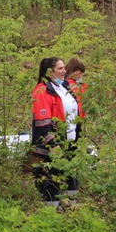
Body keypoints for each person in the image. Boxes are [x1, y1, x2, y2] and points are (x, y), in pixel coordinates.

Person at [29, 57, 79, 206]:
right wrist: (52, 143)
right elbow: (42, 121)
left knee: (71, 174)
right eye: (60, 68)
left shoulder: (65, 86)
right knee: (52, 178)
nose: (64, 71)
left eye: (64, 68)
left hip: (70, 139)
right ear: (50, 72)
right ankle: (51, 211)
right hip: (53, 142)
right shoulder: (42, 90)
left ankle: (71, 206)